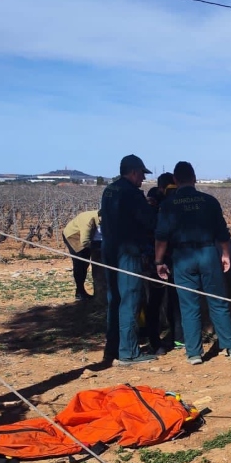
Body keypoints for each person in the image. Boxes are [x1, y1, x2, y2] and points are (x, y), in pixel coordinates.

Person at [154, 161, 231, 365]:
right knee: (217, 301)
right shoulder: (209, 201)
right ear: (194, 178)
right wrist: (225, 254)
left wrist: (159, 261)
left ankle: (194, 353)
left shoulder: (168, 204)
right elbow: (222, 232)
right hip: (207, 253)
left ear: (175, 180)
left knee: (188, 306)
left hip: (182, 256)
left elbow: (161, 237)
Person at [100, 154, 157, 365]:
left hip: (109, 249)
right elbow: (149, 222)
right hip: (128, 251)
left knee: (114, 299)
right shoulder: (132, 194)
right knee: (130, 299)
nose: (143, 178)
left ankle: (111, 350)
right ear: (133, 172)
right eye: (142, 174)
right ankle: (129, 352)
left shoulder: (109, 189)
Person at [145, 175, 183, 353]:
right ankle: (155, 341)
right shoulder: (153, 205)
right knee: (156, 300)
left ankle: (178, 338)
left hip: (172, 258)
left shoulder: (173, 205)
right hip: (157, 259)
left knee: (173, 300)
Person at [62, 209, 99, 300]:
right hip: (73, 235)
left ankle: (82, 292)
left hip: (86, 236)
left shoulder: (103, 217)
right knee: (80, 262)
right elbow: (85, 241)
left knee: (85, 263)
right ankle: (80, 292)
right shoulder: (89, 221)